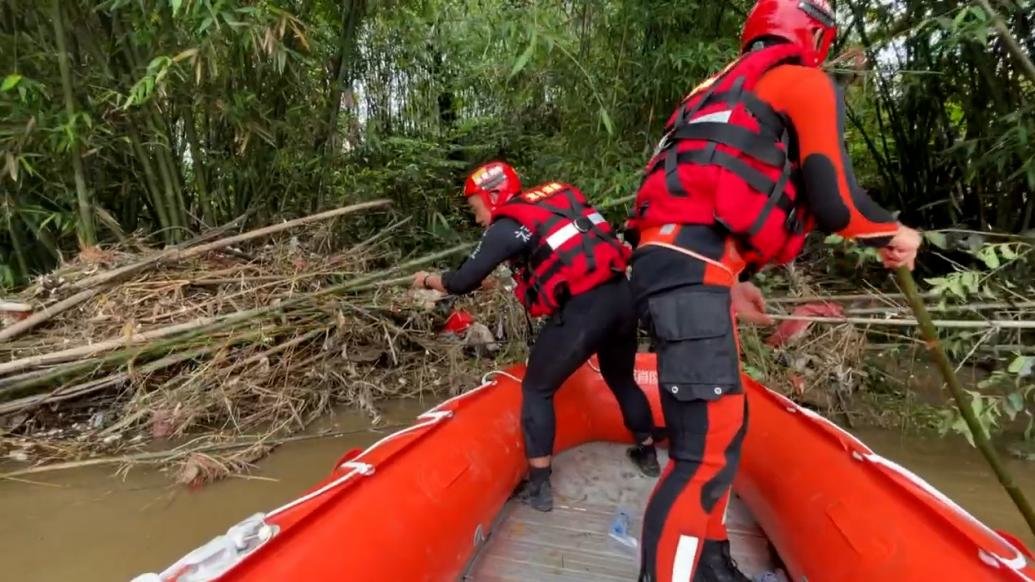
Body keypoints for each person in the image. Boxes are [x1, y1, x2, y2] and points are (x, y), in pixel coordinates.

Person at [624, 1, 923, 580]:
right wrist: (895, 230)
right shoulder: (801, 82)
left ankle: (710, 561)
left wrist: (733, 283)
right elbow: (839, 204)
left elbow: (695, 203)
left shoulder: (709, 93)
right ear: (814, 32)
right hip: (690, 274)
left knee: (724, 428)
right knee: (700, 453)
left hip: (678, 268)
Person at [413, 161, 661, 512]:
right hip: (622, 297)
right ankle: (648, 453)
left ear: (492, 195)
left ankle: (540, 488)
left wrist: (426, 279)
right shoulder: (553, 199)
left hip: (584, 310)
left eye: (476, 208)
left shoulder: (507, 226)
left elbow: (461, 281)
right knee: (620, 378)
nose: (477, 218)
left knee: (537, 389)